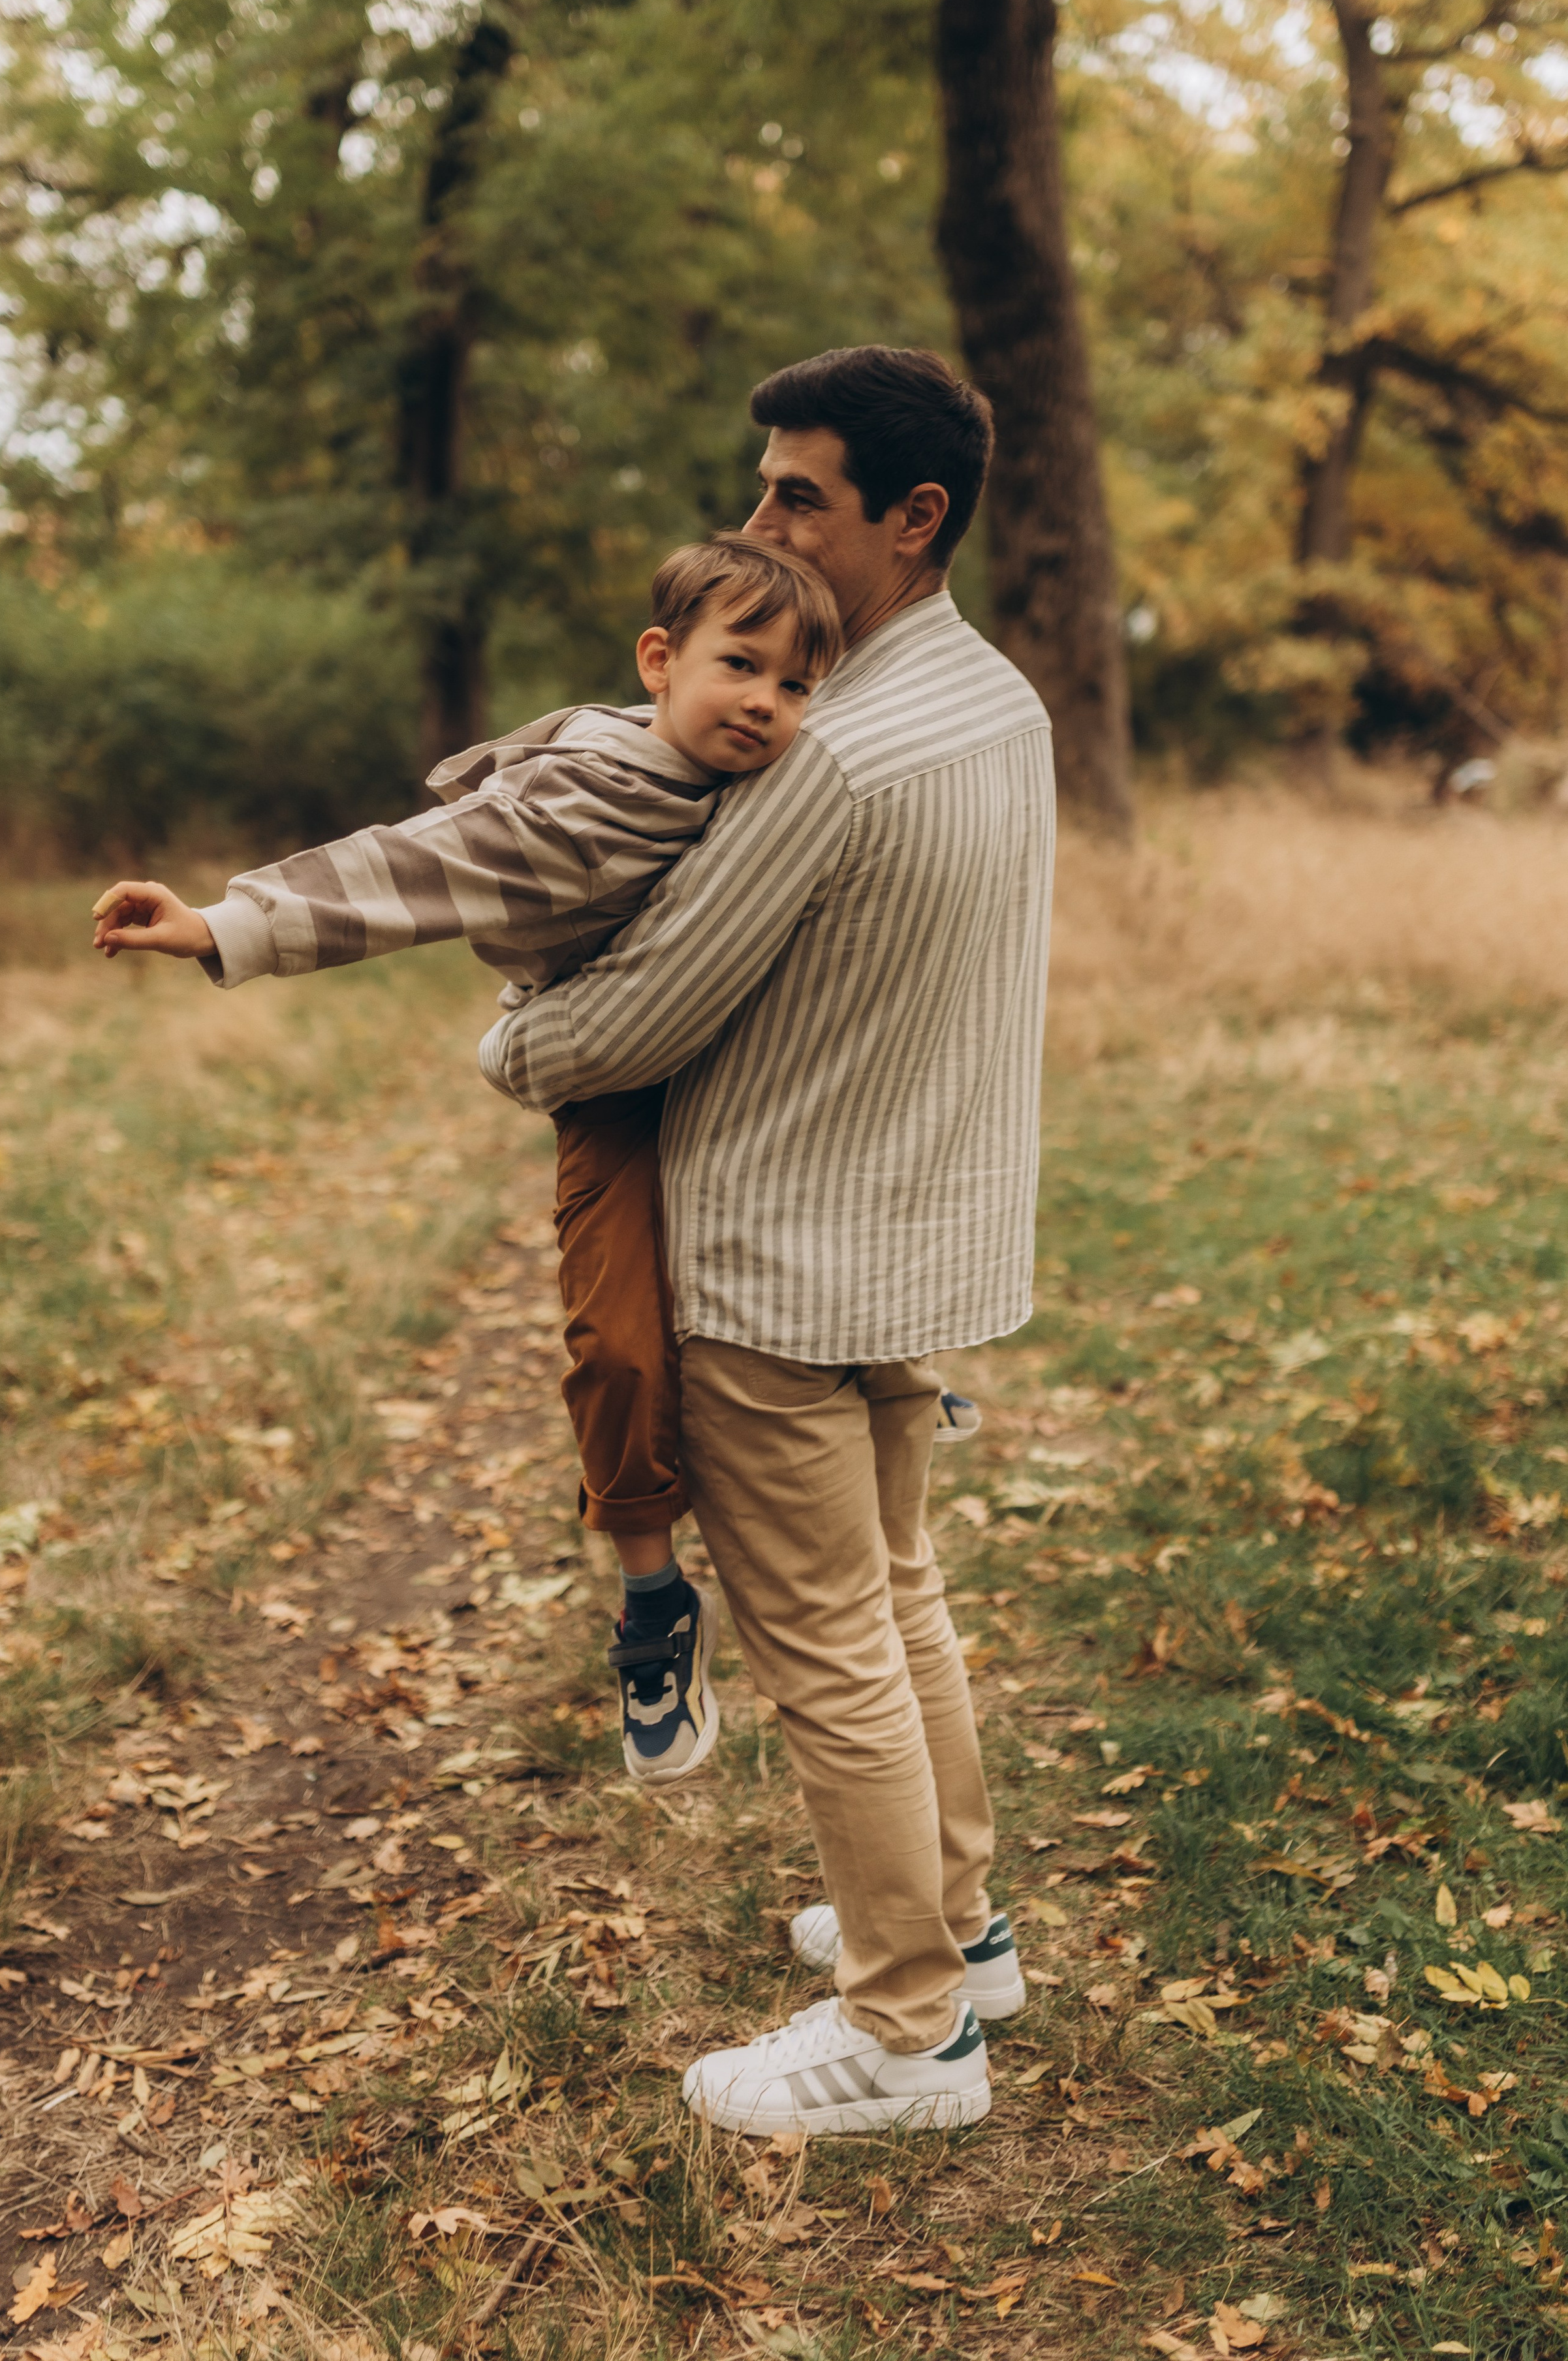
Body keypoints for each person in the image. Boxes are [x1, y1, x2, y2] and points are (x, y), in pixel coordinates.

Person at [479, 345, 1056, 2138]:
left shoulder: (832, 760)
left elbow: (627, 1022)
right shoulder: (1002, 708)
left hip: (780, 1264)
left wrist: (511, 1034)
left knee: (828, 1651)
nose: (759, 527)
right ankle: (959, 1932)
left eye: (798, 496)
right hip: (905, 1239)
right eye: (763, 488)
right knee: (900, 1602)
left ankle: (904, 2036)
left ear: (916, 516)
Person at [89, 535, 842, 1785]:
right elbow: (407, 868)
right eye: (740, 666)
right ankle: (653, 1604)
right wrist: (223, 923)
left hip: (760, 1077)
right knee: (617, 1344)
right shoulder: (573, 806)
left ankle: (894, 1379)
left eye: (797, 685)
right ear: (660, 662)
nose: (766, 702)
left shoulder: (794, 782)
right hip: (620, 1096)